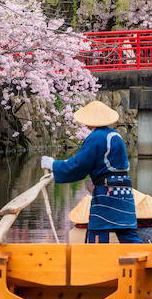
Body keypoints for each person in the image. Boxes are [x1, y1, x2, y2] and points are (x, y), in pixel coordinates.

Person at [41, 100, 138, 244]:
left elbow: (79, 165)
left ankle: (96, 261)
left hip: (107, 192)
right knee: (127, 232)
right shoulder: (115, 135)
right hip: (124, 191)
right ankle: (146, 258)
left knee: (98, 232)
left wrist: (53, 165)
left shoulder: (96, 137)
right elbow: (110, 167)